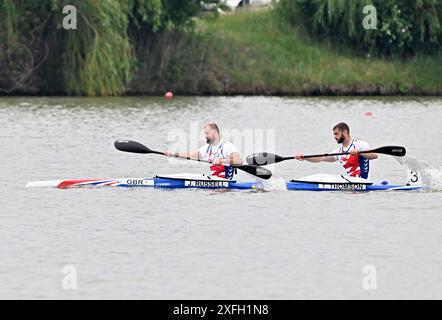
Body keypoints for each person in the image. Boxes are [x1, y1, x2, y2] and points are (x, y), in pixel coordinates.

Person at [295, 122, 378, 179]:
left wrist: (359, 153)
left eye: (336, 134)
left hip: (362, 183)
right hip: (350, 185)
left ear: (344, 132)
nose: (334, 137)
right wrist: (305, 157)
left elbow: (374, 156)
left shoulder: (360, 144)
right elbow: (320, 158)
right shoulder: (339, 152)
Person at [165, 123, 243, 179]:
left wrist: (221, 160)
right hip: (213, 184)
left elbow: (239, 161)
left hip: (226, 185)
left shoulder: (227, 146)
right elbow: (189, 155)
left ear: (215, 132)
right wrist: (173, 154)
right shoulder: (207, 148)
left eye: (207, 133)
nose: (205, 136)